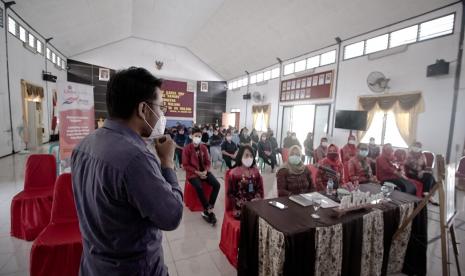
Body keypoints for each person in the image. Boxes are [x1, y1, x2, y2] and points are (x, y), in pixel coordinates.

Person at [71, 67, 183, 275]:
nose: (162, 114)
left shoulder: (83, 146)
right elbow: (172, 215)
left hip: (93, 266)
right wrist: (167, 162)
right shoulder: (136, 158)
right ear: (143, 109)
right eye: (160, 107)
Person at [182, 127, 221, 224]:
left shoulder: (203, 147)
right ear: (191, 136)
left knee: (217, 185)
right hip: (193, 174)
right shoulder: (187, 149)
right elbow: (185, 165)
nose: (198, 138)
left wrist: (206, 171)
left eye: (199, 136)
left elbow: (208, 162)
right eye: (196, 136)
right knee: (199, 186)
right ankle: (207, 208)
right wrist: (197, 172)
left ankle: (210, 206)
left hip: (204, 172)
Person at [228, 145, 263, 219]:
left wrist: (257, 197)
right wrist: (240, 203)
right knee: (249, 218)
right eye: (246, 155)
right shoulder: (234, 173)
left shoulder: (256, 172)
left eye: (251, 156)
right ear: (241, 156)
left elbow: (260, 189)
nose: (249, 158)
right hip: (240, 207)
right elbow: (230, 193)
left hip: (254, 204)